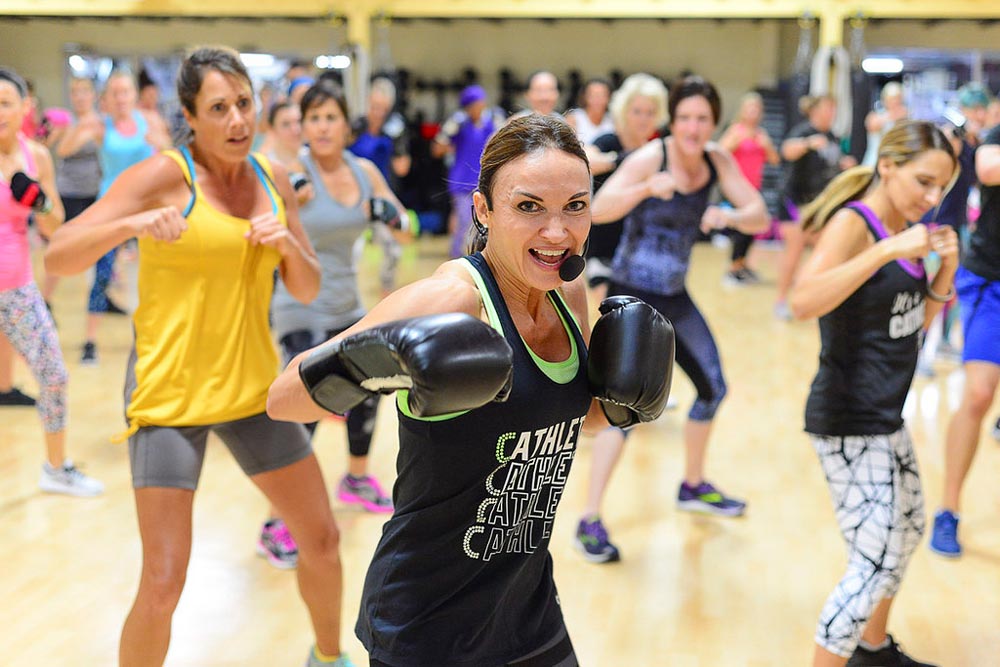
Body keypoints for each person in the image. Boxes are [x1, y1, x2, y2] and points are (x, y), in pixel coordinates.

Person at [267, 113, 674, 667]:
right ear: (484, 209)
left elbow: (567, 417)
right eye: (529, 207)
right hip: (426, 625)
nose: (557, 233)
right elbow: (282, 398)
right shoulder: (452, 300)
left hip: (528, 610)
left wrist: (621, 406)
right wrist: (378, 364)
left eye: (574, 207)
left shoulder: (567, 289)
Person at [44, 47, 352, 667]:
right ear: (191, 115)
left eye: (245, 103)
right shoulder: (164, 176)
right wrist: (132, 225)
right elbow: (61, 255)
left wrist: (288, 239)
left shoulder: (270, 178)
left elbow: (308, 288)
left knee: (320, 538)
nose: (238, 119)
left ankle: (329, 657)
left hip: (252, 393)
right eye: (219, 108)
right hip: (170, 396)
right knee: (163, 583)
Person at [790, 120, 958, 667]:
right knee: (872, 565)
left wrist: (945, 272)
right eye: (924, 182)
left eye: (942, 189)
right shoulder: (856, 223)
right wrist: (886, 252)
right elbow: (802, 299)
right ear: (887, 166)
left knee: (906, 534)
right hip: (847, 418)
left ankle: (872, 649)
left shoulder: (903, 228)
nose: (932, 199)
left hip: (885, 416)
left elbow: (911, 325)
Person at [583, 76, 767, 562]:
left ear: (713, 123)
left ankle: (691, 484)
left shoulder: (716, 161)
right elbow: (598, 210)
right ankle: (590, 517)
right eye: (684, 117)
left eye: (702, 118)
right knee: (621, 409)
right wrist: (645, 187)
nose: (692, 126)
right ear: (674, 120)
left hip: (675, 297)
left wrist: (726, 217)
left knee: (713, 388)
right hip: (633, 293)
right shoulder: (652, 157)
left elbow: (760, 215)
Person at [258, 81, 410, 569]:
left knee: (370, 387)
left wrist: (391, 215)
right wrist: (287, 202)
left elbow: (407, 229)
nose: (322, 127)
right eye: (313, 118)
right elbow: (262, 223)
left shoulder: (364, 172)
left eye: (330, 117)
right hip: (297, 305)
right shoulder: (290, 172)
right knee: (305, 404)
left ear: (347, 124)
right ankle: (275, 520)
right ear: (302, 126)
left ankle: (357, 477)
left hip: (347, 303)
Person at [0, 67, 103, 496]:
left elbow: (55, 224)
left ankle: (56, 468)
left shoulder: (35, 156)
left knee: (54, 375)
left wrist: (38, 200)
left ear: (25, 108)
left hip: (17, 287)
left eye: (5, 103)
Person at [929, 101, 1000, 559]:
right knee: (977, 394)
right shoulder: (995, 136)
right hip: (992, 280)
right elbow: (989, 167)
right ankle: (948, 510)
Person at [81, 70, 171, 365]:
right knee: (103, 274)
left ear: (134, 95)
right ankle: (90, 342)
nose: (121, 98)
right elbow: (66, 147)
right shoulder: (100, 124)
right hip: (111, 208)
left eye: (125, 92)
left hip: (146, 208)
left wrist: (161, 141)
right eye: (115, 93)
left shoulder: (151, 121)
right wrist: (81, 122)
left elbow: (173, 157)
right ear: (106, 98)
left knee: (154, 274)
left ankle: (153, 338)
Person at [774, 95, 856, 320]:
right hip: (793, 200)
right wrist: (808, 143)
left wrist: (846, 165)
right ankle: (781, 300)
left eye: (833, 110)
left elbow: (832, 166)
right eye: (827, 109)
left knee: (825, 251)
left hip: (816, 205)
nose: (831, 114)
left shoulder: (834, 138)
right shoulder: (803, 131)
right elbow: (787, 150)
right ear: (815, 111)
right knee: (794, 249)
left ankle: (816, 300)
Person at [348, 77, 409, 296]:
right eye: (374, 107)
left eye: (383, 108)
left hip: (379, 196)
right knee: (352, 251)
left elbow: (402, 168)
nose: (378, 112)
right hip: (352, 197)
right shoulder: (355, 127)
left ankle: (386, 289)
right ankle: (347, 292)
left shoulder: (391, 131)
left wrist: (400, 143)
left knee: (393, 249)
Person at [47, 76, 103, 306]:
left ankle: (100, 297)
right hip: (68, 193)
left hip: (95, 192)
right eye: (75, 93)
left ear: (93, 96)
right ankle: (46, 299)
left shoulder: (101, 122)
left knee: (100, 248)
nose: (80, 97)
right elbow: (54, 148)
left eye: (84, 92)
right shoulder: (66, 122)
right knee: (62, 247)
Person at [433, 84, 506, 258]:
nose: (476, 108)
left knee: (487, 222)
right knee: (464, 220)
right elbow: (437, 149)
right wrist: (447, 134)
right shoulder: (461, 124)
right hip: (462, 180)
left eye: (479, 104)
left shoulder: (492, 122)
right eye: (471, 106)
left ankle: (483, 257)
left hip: (486, 179)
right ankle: (459, 255)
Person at [718, 90, 780, 285]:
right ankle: (732, 269)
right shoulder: (736, 130)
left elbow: (775, 160)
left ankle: (742, 265)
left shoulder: (761, 134)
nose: (753, 112)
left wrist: (767, 145)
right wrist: (734, 143)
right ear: (743, 110)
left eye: (757, 108)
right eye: (750, 108)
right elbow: (718, 153)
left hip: (754, 188)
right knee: (741, 229)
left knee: (753, 228)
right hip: (737, 189)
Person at [861, 82, 908, 168]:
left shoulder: (904, 119)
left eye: (898, 99)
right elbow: (872, 125)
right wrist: (893, 116)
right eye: (892, 99)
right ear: (885, 100)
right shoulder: (875, 116)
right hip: (874, 160)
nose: (895, 102)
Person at [565, 78, 614, 145]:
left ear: (609, 97)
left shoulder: (613, 120)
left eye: (602, 95)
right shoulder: (574, 118)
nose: (597, 100)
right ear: (585, 97)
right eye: (593, 95)